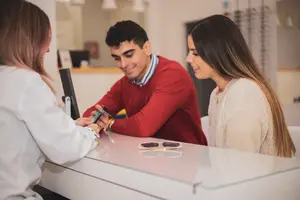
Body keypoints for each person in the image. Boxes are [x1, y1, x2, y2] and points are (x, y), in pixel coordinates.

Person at [0, 1, 100, 199]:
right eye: (46, 40)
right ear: (29, 40)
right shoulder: (25, 82)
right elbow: (67, 148)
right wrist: (92, 132)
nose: (47, 50)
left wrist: (69, 124)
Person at [186, 14, 296, 157]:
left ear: (217, 51)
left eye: (195, 53)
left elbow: (238, 169)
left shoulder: (243, 93)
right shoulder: (217, 94)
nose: (188, 59)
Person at [83, 20, 207, 145]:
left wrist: (110, 123)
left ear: (146, 48)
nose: (123, 64)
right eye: (117, 58)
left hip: (187, 157)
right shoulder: (126, 82)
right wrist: (92, 119)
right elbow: (93, 111)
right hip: (149, 156)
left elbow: (143, 126)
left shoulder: (173, 75)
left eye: (129, 55)